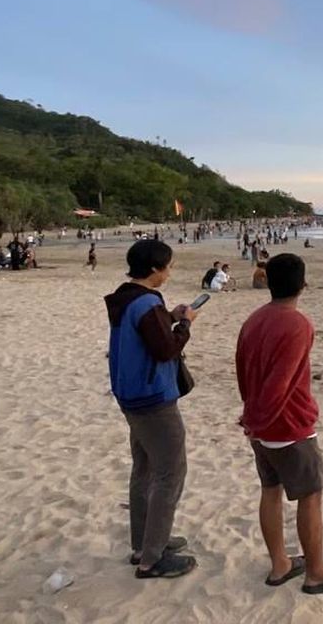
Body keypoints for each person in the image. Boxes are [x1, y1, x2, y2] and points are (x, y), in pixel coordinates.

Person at [235, 254, 323, 595]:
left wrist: (250, 417)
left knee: (270, 491)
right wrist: (258, 419)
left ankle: (280, 564)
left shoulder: (253, 320)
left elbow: (243, 371)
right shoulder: (297, 323)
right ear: (303, 283)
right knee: (310, 495)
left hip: (259, 423)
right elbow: (281, 383)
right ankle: (316, 572)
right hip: (286, 426)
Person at [104, 240, 198, 578]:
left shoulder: (127, 297)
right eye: (168, 267)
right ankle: (152, 558)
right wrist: (185, 323)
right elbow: (165, 349)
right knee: (170, 472)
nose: (169, 273)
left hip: (132, 395)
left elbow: (151, 332)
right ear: (155, 269)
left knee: (144, 468)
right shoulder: (144, 302)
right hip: (152, 398)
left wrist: (168, 317)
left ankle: (145, 543)